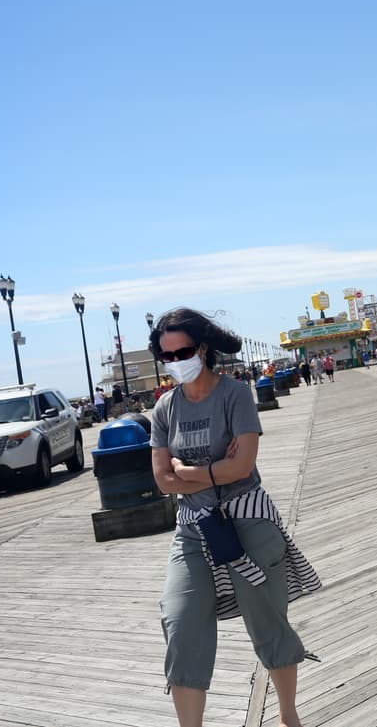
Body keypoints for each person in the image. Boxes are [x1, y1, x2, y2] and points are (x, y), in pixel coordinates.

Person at [146, 307, 320, 727]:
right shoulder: (165, 409)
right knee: (180, 620)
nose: (174, 362)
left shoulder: (235, 394)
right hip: (193, 528)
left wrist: (188, 471)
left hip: (249, 521)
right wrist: (208, 474)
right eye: (165, 356)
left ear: (202, 348)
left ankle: (288, 716)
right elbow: (162, 480)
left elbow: (242, 468)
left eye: (181, 351)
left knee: (267, 622)